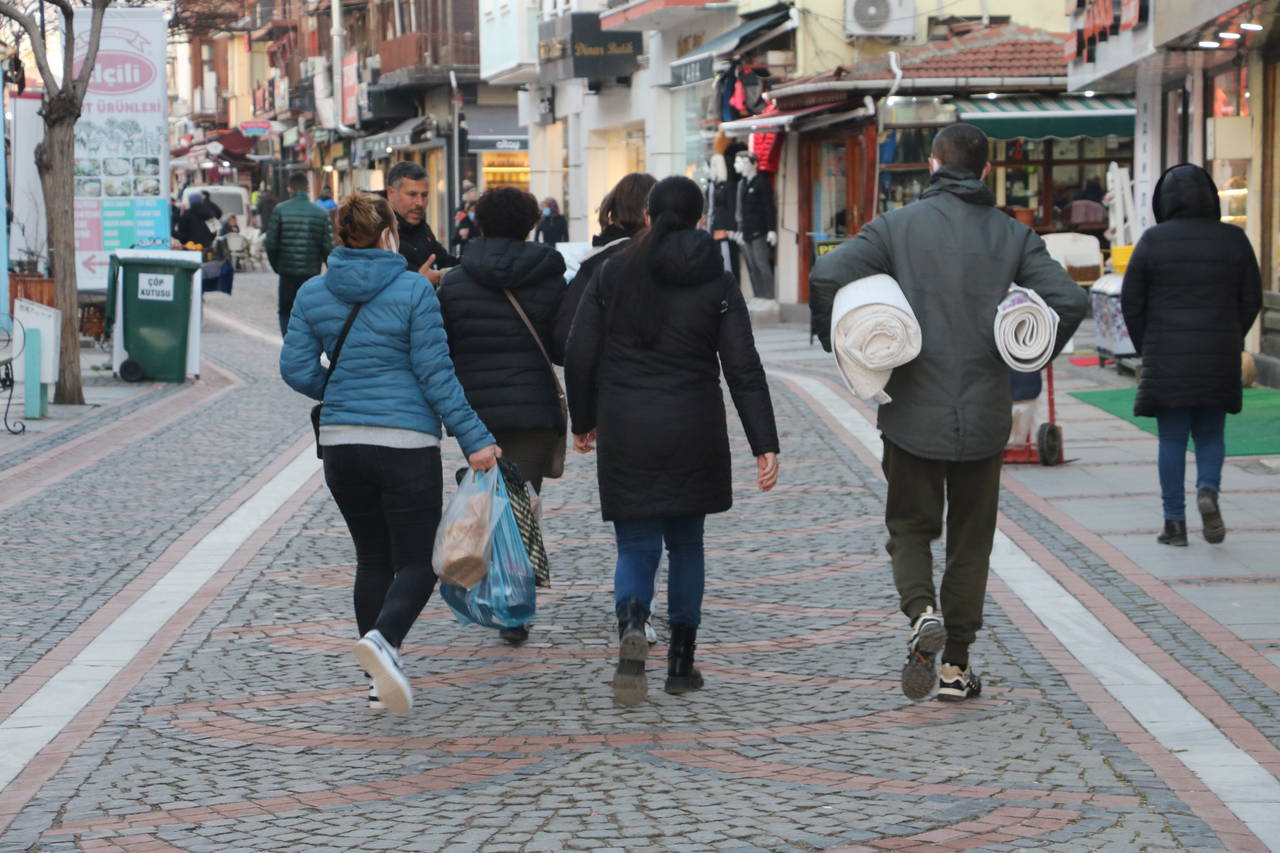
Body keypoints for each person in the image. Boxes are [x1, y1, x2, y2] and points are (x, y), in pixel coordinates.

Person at [809, 123, 1088, 703]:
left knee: (909, 527)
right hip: (985, 413)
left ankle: (920, 611)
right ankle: (957, 667)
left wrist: (834, 337)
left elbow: (827, 273)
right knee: (971, 540)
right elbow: (1069, 299)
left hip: (912, 410)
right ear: (987, 172)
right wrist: (1025, 351)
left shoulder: (896, 227)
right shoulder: (1013, 235)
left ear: (931, 166)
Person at [280, 192, 502, 715]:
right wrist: (475, 439)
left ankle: (378, 680)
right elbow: (435, 375)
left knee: (372, 557)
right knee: (421, 558)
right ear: (388, 236)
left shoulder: (313, 292)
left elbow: (295, 369)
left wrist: (338, 392)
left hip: (340, 444)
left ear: (341, 236)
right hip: (404, 443)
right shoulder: (413, 290)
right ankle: (384, 641)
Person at [564, 175, 780, 706]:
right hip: (694, 426)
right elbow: (743, 367)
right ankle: (682, 664)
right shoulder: (717, 279)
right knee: (686, 546)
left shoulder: (613, 273)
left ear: (646, 217)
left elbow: (579, 352)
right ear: (702, 217)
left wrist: (584, 419)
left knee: (636, 544)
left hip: (628, 426)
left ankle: (633, 623)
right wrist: (763, 442)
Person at [437, 187, 567, 645]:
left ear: (481, 223)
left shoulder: (454, 282)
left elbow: (443, 353)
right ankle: (513, 605)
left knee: (492, 503)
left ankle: (503, 598)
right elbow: (564, 347)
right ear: (531, 224)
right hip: (532, 410)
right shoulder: (550, 276)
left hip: (476, 414)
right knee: (520, 504)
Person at [1120, 164, 1262, 547]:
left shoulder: (1152, 241)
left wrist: (1145, 345)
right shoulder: (1233, 239)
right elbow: (1251, 298)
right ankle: (1208, 491)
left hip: (1167, 355)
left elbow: (1131, 302)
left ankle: (1174, 525)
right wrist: (1230, 335)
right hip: (1218, 352)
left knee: (1172, 438)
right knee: (1211, 432)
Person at [552, 172, 656, 355]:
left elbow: (565, 338)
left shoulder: (597, 263)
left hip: (613, 375)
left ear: (613, 208)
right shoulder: (680, 258)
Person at [266, 172, 335, 336]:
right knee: (310, 311)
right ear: (308, 188)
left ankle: (289, 343)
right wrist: (331, 270)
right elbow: (328, 247)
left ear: (290, 188)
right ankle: (309, 347)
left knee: (286, 311)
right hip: (311, 272)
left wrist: (277, 266)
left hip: (287, 272)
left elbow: (270, 243)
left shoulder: (280, 210)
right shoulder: (321, 213)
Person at [385, 161, 458, 286]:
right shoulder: (375, 232)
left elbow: (446, 261)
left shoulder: (422, 229)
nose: (420, 202)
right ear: (391, 193)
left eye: (424, 195)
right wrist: (419, 282)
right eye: (412, 194)